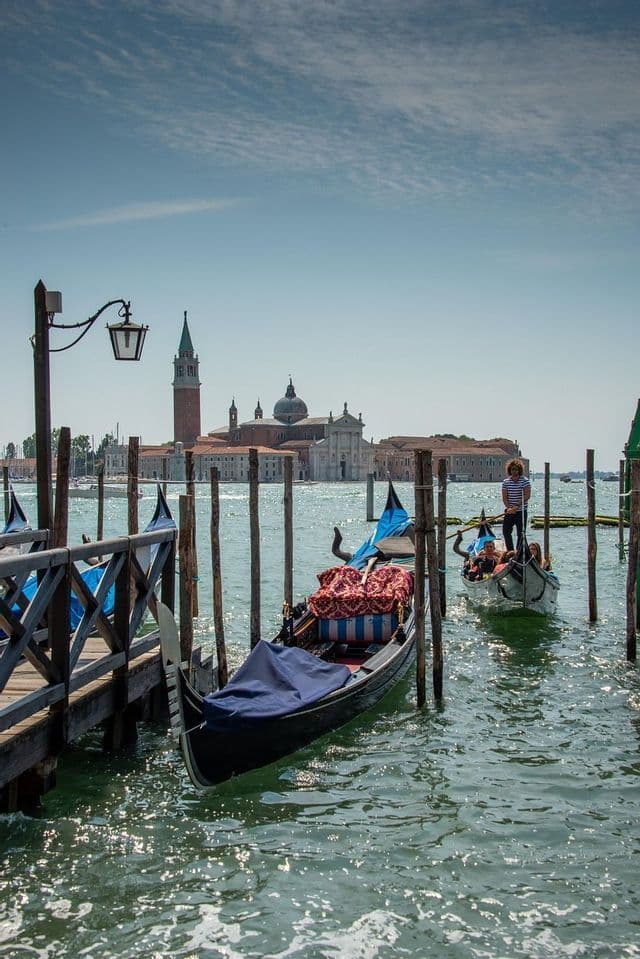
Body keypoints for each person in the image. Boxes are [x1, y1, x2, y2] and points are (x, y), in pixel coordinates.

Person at [501, 458, 531, 552]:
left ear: (519, 470)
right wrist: (509, 508)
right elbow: (505, 497)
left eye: (516, 469)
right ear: (510, 470)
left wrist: (517, 506)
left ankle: (519, 551)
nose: (514, 471)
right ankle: (510, 551)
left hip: (521, 511)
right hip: (509, 511)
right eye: (513, 469)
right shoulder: (506, 482)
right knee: (506, 532)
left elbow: (527, 495)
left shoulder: (525, 481)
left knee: (521, 533)